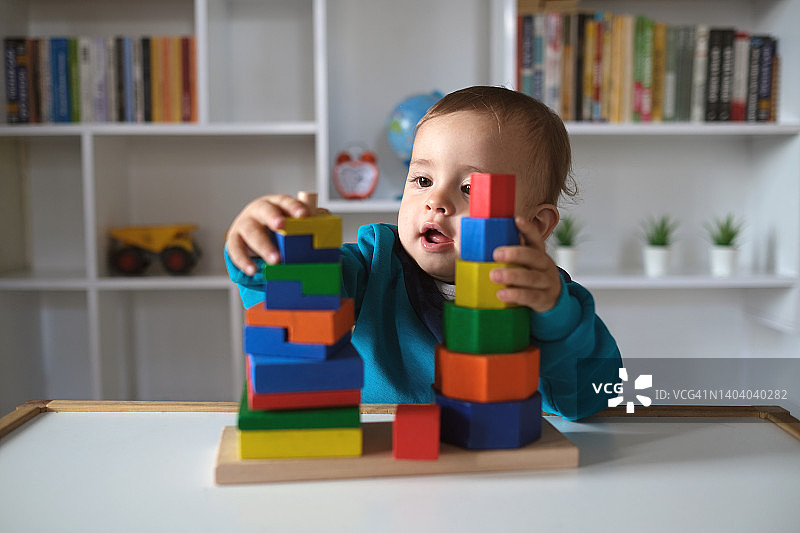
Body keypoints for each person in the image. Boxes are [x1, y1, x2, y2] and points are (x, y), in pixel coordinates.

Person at [225, 85, 622, 420]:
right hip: (390, 467)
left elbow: (595, 395)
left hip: (492, 469)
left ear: (534, 225)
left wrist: (556, 318)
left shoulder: (544, 296)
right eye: (422, 180)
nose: (436, 201)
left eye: (470, 189)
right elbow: (295, 299)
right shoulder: (372, 264)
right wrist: (267, 249)